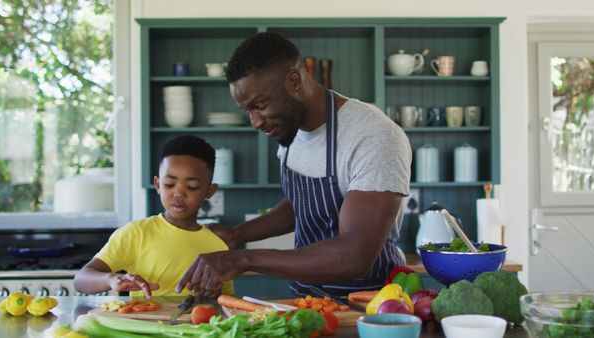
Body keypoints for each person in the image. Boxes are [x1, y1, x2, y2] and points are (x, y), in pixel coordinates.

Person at [176, 32, 411, 299]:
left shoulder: (373, 136)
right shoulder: (290, 128)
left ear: (294, 81)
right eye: (248, 111)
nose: (255, 122)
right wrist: (235, 234)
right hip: (307, 300)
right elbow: (300, 205)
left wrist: (243, 259)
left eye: (260, 105)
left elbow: (354, 256)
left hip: (371, 308)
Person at [74, 135, 234, 298]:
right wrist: (112, 279)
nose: (178, 194)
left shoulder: (217, 245)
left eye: (192, 187)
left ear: (209, 191)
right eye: (169, 185)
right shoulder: (136, 233)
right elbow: (81, 280)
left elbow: (226, 300)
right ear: (158, 185)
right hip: (143, 322)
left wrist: (214, 294)